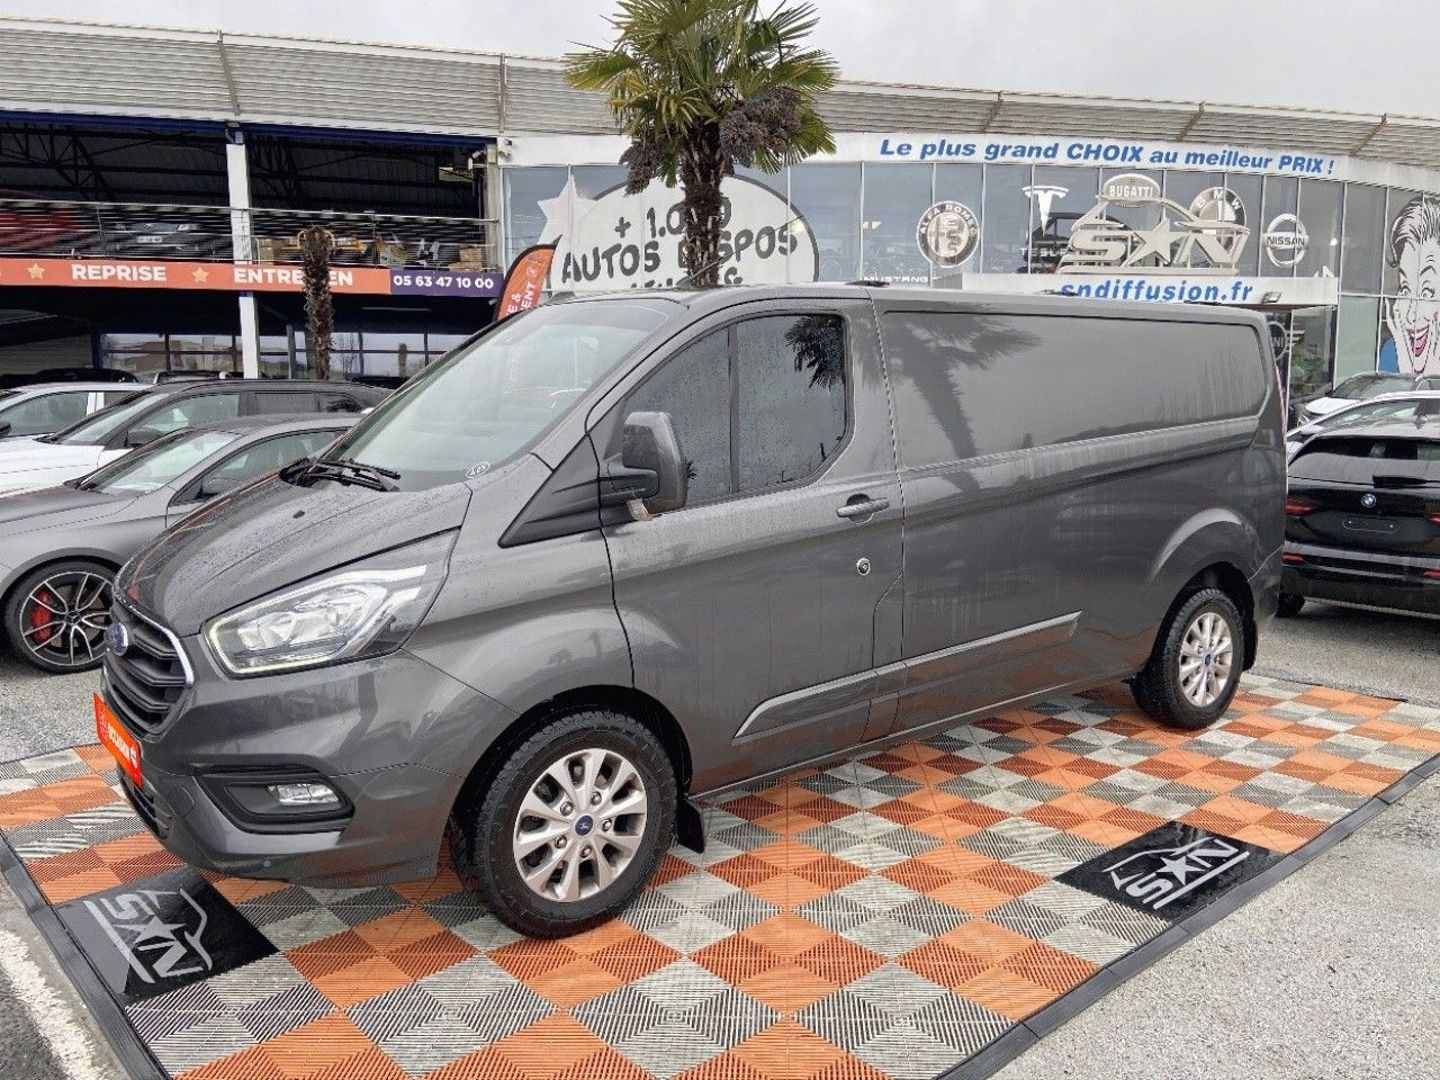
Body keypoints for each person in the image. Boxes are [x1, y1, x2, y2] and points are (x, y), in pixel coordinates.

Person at [1381, 195, 1440, 376]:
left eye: (1426, 293)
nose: (1411, 315)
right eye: (1405, 290)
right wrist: (1407, 373)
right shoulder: (1391, 352)